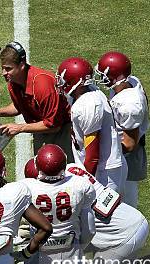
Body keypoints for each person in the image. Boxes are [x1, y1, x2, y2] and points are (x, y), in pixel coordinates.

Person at [0, 41, 74, 162]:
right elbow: (20, 106)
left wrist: (20, 128)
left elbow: (54, 126)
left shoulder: (43, 85)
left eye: (8, 69)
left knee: (62, 170)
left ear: (22, 65)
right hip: (40, 128)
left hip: (62, 131)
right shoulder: (13, 82)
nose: (3, 73)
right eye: (2, 68)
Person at [56, 57, 127, 194]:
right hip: (104, 166)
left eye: (62, 80)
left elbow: (93, 156)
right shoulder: (86, 91)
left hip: (103, 173)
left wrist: (86, 182)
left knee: (101, 214)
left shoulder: (88, 106)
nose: (60, 83)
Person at [95, 51, 150, 207]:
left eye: (105, 75)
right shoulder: (130, 81)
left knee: (123, 203)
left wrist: (103, 150)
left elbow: (130, 144)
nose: (102, 79)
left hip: (126, 156)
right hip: (123, 150)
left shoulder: (129, 105)